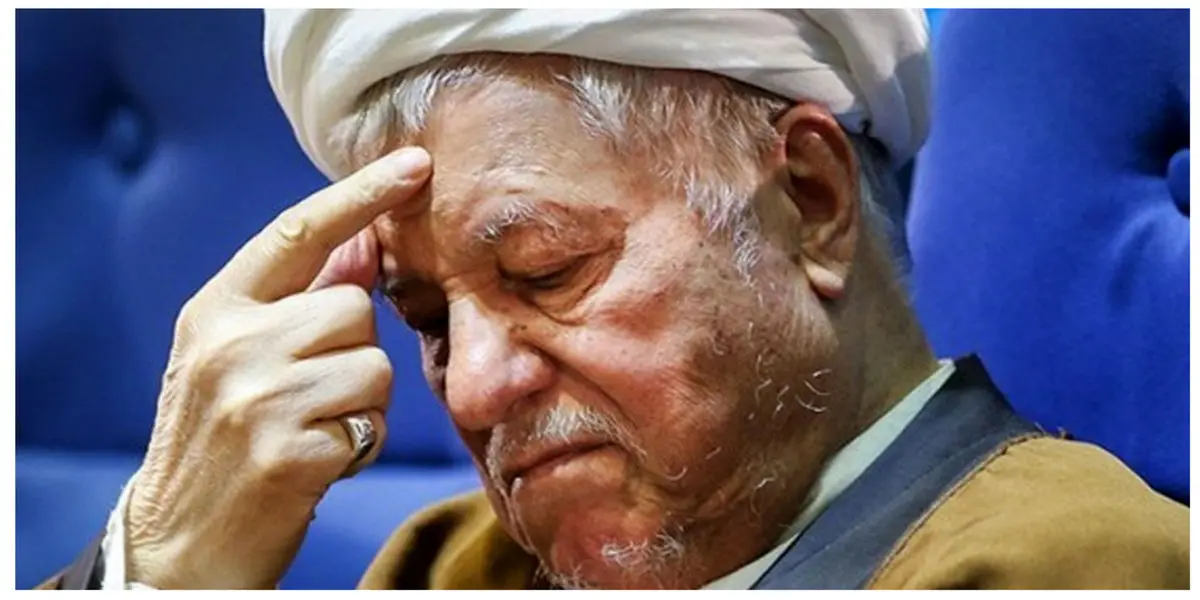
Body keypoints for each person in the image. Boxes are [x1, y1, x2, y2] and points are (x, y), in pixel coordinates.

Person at [39, 9, 1187, 590]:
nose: (471, 390)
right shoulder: (453, 563)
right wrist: (158, 568)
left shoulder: (1074, 566)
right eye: (428, 322)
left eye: (547, 271)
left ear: (811, 200)